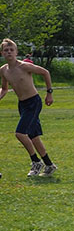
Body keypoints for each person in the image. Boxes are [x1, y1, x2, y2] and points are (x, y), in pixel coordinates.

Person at [0, 38, 58, 177]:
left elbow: (45, 72)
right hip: (22, 104)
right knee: (33, 136)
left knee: (20, 133)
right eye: (6, 50)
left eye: (11, 50)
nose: (9, 52)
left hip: (34, 102)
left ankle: (36, 162)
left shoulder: (24, 66)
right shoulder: (3, 70)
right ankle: (49, 165)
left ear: (16, 52)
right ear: (2, 53)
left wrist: (49, 93)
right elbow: (4, 89)